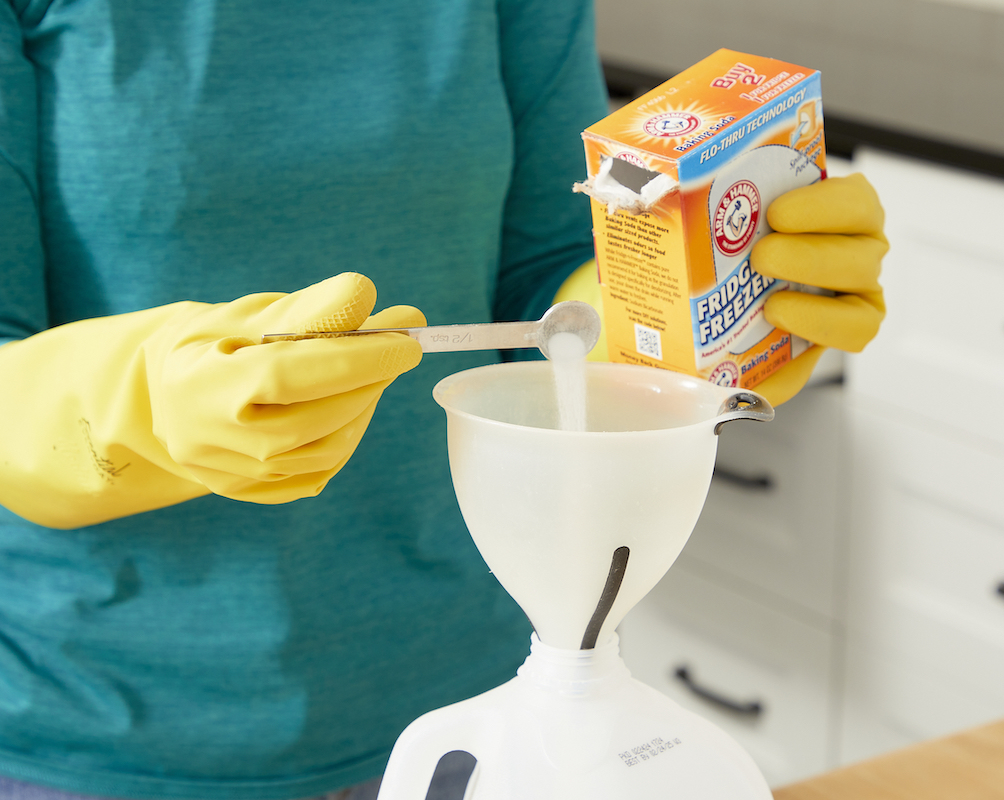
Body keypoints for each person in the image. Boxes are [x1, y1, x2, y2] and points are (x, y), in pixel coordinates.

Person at [0, 1, 886, 798]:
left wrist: (675, 329)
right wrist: (137, 405)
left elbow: (542, 281)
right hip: (104, 725)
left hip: (480, 699)